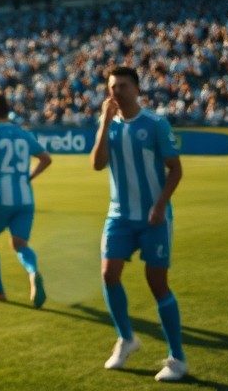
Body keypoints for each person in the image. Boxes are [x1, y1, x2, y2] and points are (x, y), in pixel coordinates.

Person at [90, 65, 187, 382]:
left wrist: (160, 205)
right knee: (108, 273)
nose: (116, 91)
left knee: (157, 283)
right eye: (112, 86)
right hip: (119, 215)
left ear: (136, 89)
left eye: (122, 86)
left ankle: (177, 359)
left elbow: (175, 169)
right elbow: (97, 164)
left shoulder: (155, 124)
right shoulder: (109, 125)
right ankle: (126, 338)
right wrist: (104, 123)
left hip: (153, 217)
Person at [0, 91, 52, 306]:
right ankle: (33, 271)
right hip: (25, 198)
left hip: (0, 198)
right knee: (21, 244)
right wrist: (29, 176)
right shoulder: (23, 134)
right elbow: (45, 158)